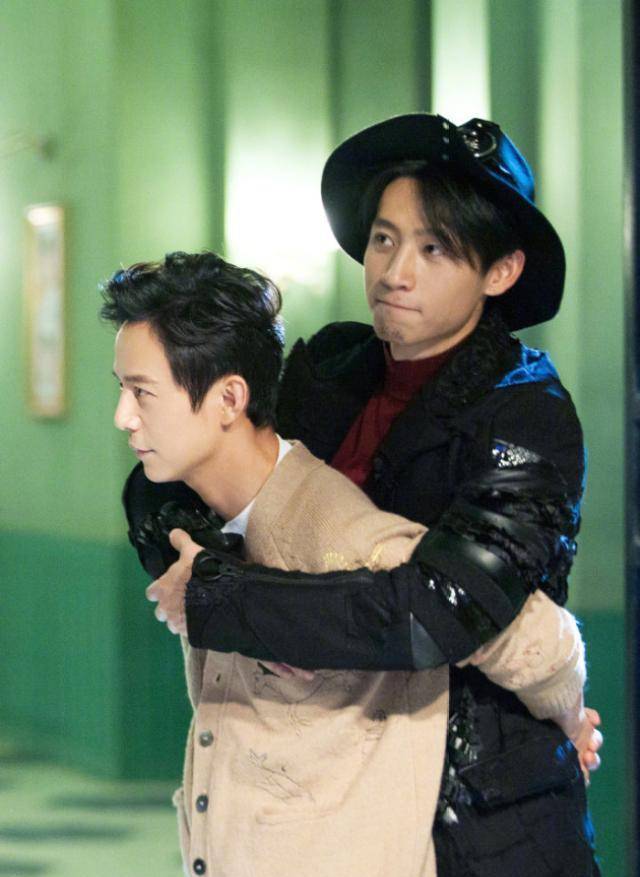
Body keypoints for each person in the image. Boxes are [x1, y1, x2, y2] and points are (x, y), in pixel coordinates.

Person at [126, 114, 602, 875]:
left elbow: (437, 610)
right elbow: (184, 478)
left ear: (502, 271)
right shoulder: (332, 368)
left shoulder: (527, 413)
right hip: (323, 783)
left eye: (434, 248)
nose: (394, 271)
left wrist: (235, 600)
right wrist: (227, 583)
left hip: (477, 807)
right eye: (384, 239)